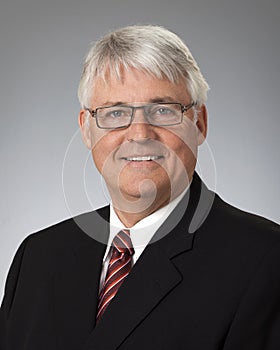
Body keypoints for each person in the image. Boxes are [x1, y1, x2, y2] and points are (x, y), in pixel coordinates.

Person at [1, 25, 280, 350]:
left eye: (163, 110)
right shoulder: (37, 258)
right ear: (87, 130)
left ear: (200, 124)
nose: (139, 133)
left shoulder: (264, 261)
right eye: (115, 112)